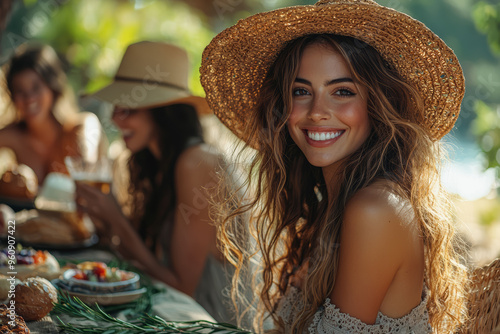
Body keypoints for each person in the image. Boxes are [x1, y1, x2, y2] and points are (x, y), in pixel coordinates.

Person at [200, 0, 469, 333]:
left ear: (379, 103)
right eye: (301, 91)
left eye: (342, 91)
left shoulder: (374, 209)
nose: (316, 111)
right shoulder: (331, 206)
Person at [74, 41, 248, 326]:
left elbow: (181, 287)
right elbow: (144, 260)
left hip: (209, 322)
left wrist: (116, 220)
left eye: (129, 108)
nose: (116, 118)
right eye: (116, 107)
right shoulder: (156, 165)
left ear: (164, 112)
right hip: (167, 314)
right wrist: (104, 219)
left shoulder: (197, 162)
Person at [0, 43, 107, 187]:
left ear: (53, 88)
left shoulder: (83, 127)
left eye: (36, 87)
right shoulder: (13, 136)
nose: (29, 98)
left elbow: (89, 173)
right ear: (13, 96)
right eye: (20, 90)